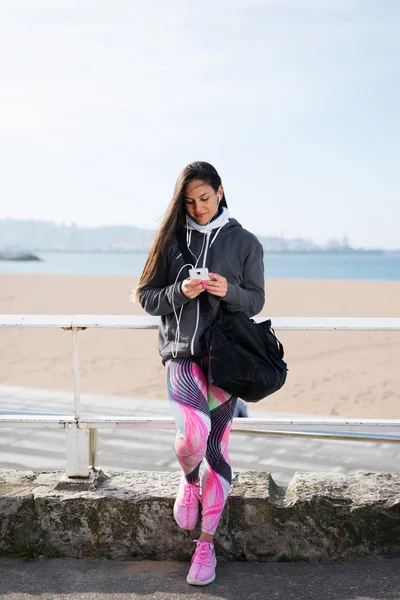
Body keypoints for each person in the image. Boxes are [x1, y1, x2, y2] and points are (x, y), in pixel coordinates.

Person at [137, 161, 265, 586]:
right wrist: (180, 291)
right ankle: (189, 479)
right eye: (190, 201)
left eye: (205, 198)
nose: (198, 207)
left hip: (226, 362)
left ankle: (205, 545)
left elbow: (256, 301)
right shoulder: (172, 240)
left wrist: (229, 291)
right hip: (181, 356)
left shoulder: (245, 242)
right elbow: (146, 297)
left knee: (217, 450)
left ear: (221, 191)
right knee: (192, 435)